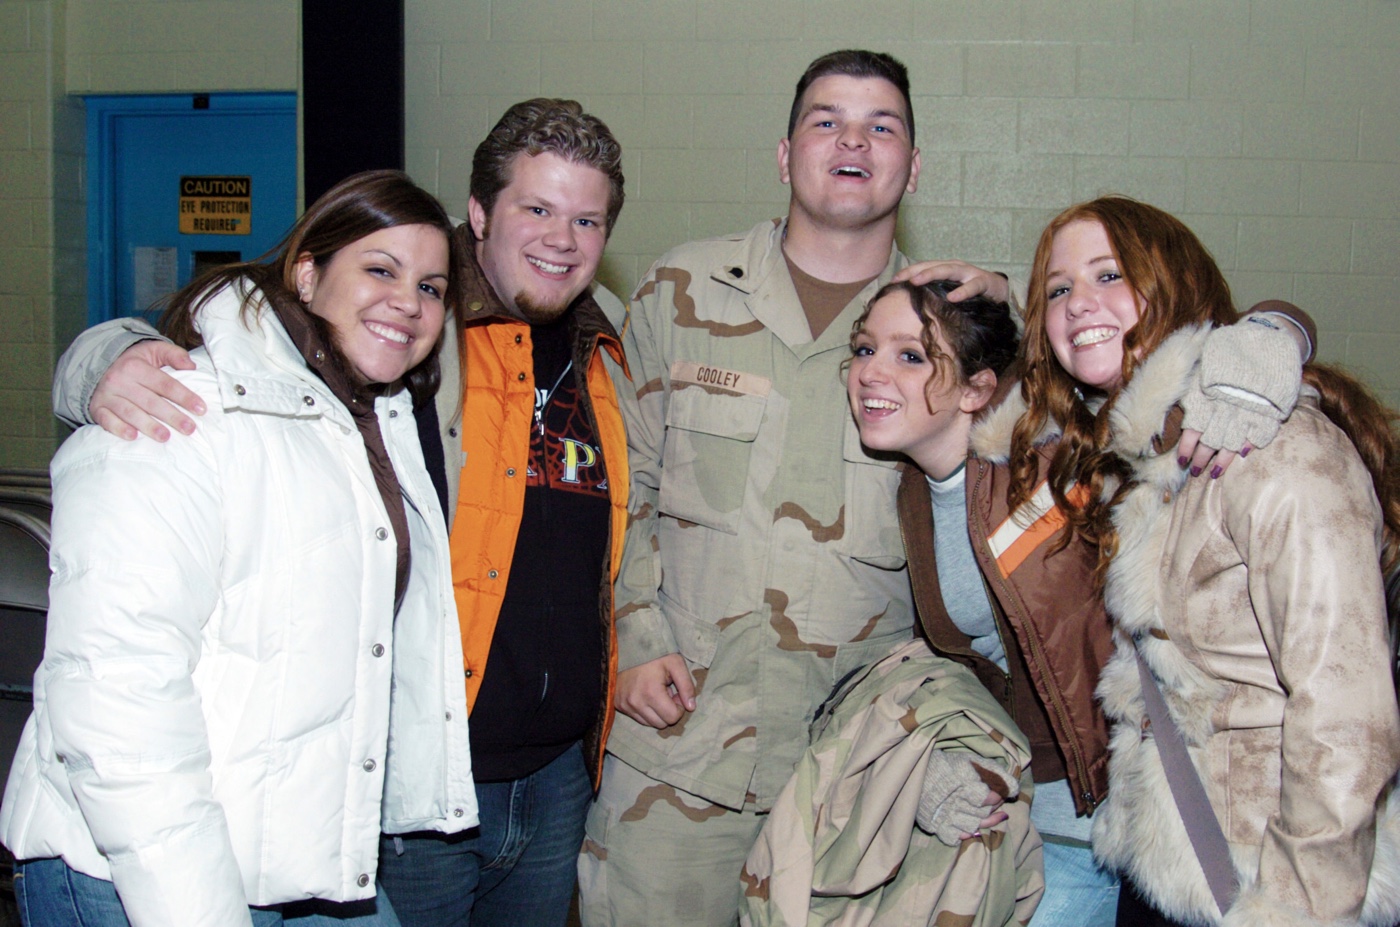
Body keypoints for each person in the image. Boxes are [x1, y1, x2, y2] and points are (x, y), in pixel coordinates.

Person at [47, 99, 632, 927]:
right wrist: (103, 360)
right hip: (408, 778)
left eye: (587, 220)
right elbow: (230, 351)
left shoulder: (611, 350)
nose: (561, 239)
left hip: (554, 777)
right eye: (536, 208)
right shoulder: (409, 349)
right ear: (479, 212)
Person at [582, 49, 1017, 927]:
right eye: (826, 120)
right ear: (786, 155)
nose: (852, 140)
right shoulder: (680, 291)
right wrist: (632, 635)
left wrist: (1020, 323)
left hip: (851, 776)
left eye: (880, 125)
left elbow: (1033, 513)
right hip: (677, 759)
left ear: (914, 166)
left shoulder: (955, 336)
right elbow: (618, 483)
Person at [0, 170, 476, 927]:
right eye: (379, 270)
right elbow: (118, 694)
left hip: (294, 855)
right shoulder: (178, 412)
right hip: (138, 873)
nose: (409, 303)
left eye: (431, 287)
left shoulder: (373, 425)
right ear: (308, 271)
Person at [1018, 195, 1400, 926]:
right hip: (1165, 860)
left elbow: (1350, 717)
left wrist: (1297, 907)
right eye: (1058, 288)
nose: (1077, 304)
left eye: (1109, 274)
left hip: (1267, 887)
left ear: (1175, 285)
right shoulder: (1138, 456)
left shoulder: (1280, 448)